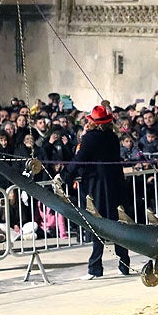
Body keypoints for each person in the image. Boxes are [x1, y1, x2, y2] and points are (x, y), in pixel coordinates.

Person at [60, 105, 132, 279]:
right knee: (118, 223)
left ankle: (95, 267)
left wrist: (65, 177)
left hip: (97, 186)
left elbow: (80, 159)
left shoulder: (90, 138)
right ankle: (124, 264)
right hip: (115, 184)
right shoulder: (113, 137)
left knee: (96, 223)